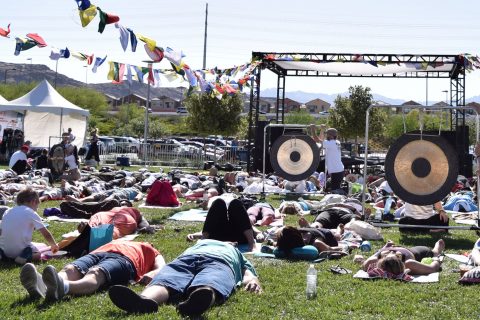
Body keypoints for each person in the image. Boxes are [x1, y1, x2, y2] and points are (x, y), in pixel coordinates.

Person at [108, 239, 261, 317]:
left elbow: (247, 272)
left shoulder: (235, 252)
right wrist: (155, 272)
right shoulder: (199, 243)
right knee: (168, 278)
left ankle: (198, 300)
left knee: (213, 279)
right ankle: (143, 300)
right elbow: (167, 270)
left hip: (220, 262)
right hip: (187, 259)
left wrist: (253, 281)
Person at [19, 240, 164, 301]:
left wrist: (152, 272)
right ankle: (44, 286)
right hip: (97, 253)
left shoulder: (150, 249)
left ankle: (63, 287)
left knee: (96, 273)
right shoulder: (120, 240)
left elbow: (162, 266)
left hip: (125, 260)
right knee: (70, 268)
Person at [0, 187, 59, 264]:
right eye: (37, 207)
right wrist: (54, 245)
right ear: (34, 202)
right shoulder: (30, 212)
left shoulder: (8, 211)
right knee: (38, 254)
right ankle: (25, 256)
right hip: (19, 251)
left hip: (5, 249)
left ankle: (3, 255)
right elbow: (46, 234)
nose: (36, 210)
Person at [186, 198, 255, 251]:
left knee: (235, 203)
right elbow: (212, 226)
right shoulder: (220, 213)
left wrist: (259, 233)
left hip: (236, 238)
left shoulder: (236, 212)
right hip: (220, 238)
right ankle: (204, 241)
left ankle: (251, 244)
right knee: (219, 202)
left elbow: (248, 225)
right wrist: (194, 235)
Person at [361, 239, 444, 276]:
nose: (390, 252)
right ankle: (436, 250)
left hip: (409, 251)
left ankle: (436, 250)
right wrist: (437, 258)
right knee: (436, 251)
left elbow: (366, 263)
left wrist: (384, 249)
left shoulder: (373, 262)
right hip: (417, 252)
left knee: (436, 250)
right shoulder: (409, 263)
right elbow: (433, 268)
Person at [310, 124, 344, 191]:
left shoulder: (330, 144)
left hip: (336, 171)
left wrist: (313, 129)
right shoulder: (336, 142)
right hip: (338, 170)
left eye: (327, 135)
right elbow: (321, 139)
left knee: (335, 190)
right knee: (335, 189)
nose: (326, 136)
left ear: (331, 136)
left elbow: (317, 140)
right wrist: (322, 129)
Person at [275, 225, 346, 254]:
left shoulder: (316, 243)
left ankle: (339, 229)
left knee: (337, 237)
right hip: (306, 230)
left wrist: (346, 247)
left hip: (325, 234)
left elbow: (331, 249)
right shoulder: (284, 238)